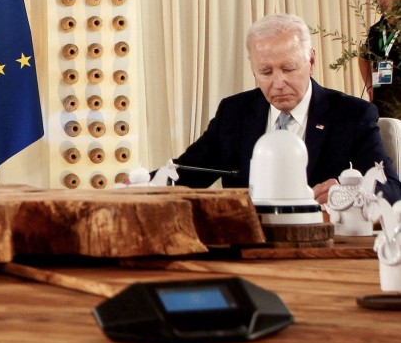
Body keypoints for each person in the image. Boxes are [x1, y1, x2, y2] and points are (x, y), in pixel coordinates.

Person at [170, 13, 401, 205]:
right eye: (266, 72)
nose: (278, 83)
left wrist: (350, 193)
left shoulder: (352, 115)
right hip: (250, 249)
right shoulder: (234, 113)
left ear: (311, 62)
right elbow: (185, 175)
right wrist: (137, 185)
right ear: (253, 69)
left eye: (288, 69)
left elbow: (391, 189)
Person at [359, 0, 400, 118]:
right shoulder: (376, 30)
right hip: (381, 100)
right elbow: (362, 58)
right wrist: (369, 86)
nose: (381, 0)